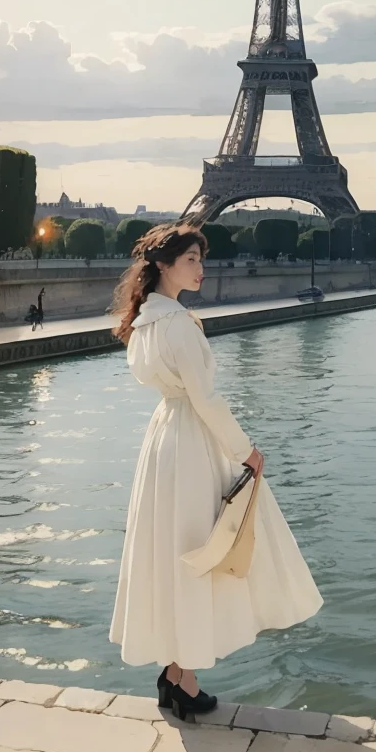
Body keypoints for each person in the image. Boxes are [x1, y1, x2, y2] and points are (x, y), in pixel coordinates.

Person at [109, 223, 322, 722]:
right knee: (203, 554)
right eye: (191, 260)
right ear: (164, 265)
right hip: (194, 444)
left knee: (174, 553)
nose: (201, 269)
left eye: (201, 260)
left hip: (164, 439)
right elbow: (205, 400)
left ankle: (177, 674)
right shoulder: (179, 324)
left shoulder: (141, 322)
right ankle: (181, 677)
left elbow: (175, 391)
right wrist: (246, 450)